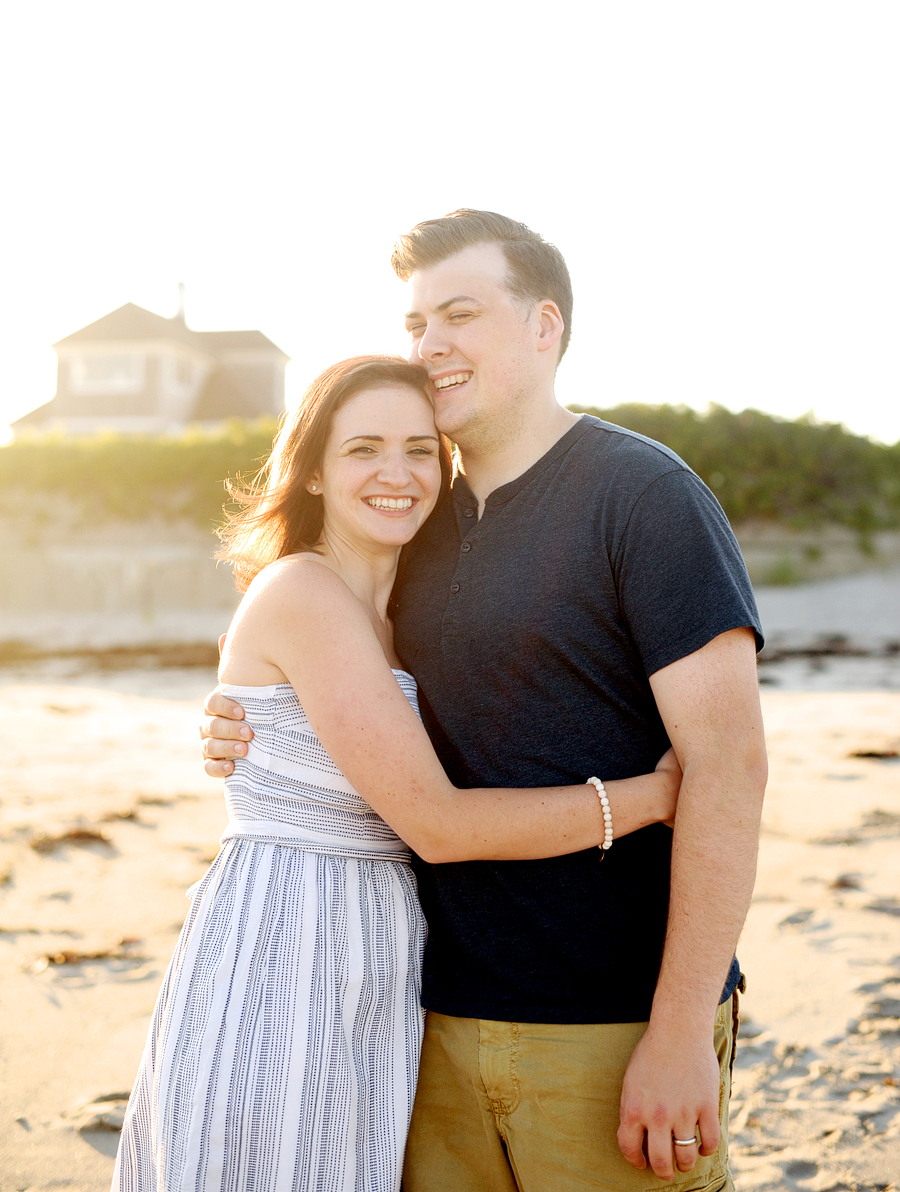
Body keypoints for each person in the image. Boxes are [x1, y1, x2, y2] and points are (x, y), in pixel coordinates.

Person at [202, 211, 768, 1191]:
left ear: (544, 326)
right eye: (416, 322)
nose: (429, 345)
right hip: (423, 1019)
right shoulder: (412, 522)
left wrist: (678, 1031)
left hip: (609, 1020)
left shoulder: (646, 496)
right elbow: (329, 674)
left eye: (458, 313)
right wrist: (240, 726)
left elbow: (729, 767)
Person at [115, 354, 683, 1192]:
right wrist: (655, 796)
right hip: (289, 947)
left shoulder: (409, 605)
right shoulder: (305, 594)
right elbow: (439, 825)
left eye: (421, 449)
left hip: (373, 954)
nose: (397, 473)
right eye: (363, 449)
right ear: (311, 472)